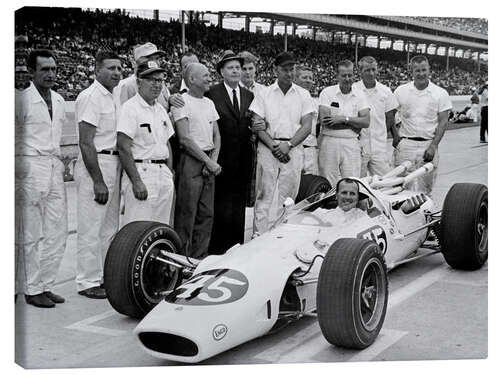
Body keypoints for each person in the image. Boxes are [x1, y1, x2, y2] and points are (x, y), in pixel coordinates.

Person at [15, 49, 68, 307]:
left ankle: (46, 284)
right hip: (30, 165)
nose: (50, 74)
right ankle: (31, 287)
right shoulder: (21, 101)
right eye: (44, 69)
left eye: (54, 69)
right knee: (30, 233)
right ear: (31, 72)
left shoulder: (58, 100)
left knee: (58, 231)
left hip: (54, 165)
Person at [250, 51, 315, 236]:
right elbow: (257, 123)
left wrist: (290, 145)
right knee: (264, 196)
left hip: (292, 148)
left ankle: (281, 237)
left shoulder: (303, 94)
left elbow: (307, 125)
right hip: (268, 148)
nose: (289, 73)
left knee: (288, 198)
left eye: (292, 69)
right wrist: (273, 146)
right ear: (275, 70)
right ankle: (258, 237)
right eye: (285, 69)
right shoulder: (264, 93)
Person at [74, 50, 122, 299]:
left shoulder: (113, 97)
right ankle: (87, 280)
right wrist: (98, 180)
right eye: (111, 68)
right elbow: (85, 142)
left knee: (109, 227)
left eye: (119, 68)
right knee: (91, 226)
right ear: (96, 70)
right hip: (97, 163)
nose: (116, 72)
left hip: (112, 161)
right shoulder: (91, 96)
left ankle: (103, 275)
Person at [206, 51, 254, 255]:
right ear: (221, 72)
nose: (236, 71)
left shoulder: (248, 95)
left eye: (238, 67)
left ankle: (236, 249)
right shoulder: (212, 93)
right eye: (231, 68)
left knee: (238, 208)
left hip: (243, 160)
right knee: (221, 206)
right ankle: (217, 250)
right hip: (221, 159)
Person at [172, 63, 221, 259]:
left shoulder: (209, 103)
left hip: (209, 160)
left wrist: (213, 161)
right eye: (206, 75)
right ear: (192, 79)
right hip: (191, 160)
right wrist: (207, 162)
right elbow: (184, 138)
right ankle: (182, 260)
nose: (210, 78)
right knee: (187, 214)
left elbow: (217, 135)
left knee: (206, 214)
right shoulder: (181, 102)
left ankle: (199, 257)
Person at [117, 61, 175, 226]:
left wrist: (168, 174)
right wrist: (136, 181)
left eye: (159, 80)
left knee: (160, 227)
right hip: (142, 171)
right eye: (151, 79)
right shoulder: (130, 108)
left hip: (162, 172)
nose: (156, 84)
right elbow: (123, 146)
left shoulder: (161, 109)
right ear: (138, 82)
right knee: (137, 227)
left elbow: (167, 144)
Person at [393, 55, 452, 195]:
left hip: (428, 145)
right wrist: (396, 137)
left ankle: (425, 216)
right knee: (400, 189)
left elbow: (443, 122)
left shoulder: (440, 93)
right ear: (411, 71)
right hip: (406, 145)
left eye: (424, 70)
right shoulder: (401, 91)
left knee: (426, 190)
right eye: (417, 71)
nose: (421, 74)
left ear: (429, 70)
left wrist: (433, 146)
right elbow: (390, 115)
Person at [318, 60, 370, 186]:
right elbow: (325, 121)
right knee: (328, 180)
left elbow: (366, 121)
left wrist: (343, 119)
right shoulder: (327, 92)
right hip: (330, 141)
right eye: (344, 75)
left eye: (350, 75)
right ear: (337, 76)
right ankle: (329, 206)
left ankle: (350, 206)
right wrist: (354, 125)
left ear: (354, 75)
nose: (347, 78)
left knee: (352, 180)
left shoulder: (360, 94)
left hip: (351, 142)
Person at [352, 56, 399, 177]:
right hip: (358, 146)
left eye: (373, 69)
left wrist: (386, 133)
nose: (371, 73)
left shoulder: (386, 91)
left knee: (384, 182)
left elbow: (390, 118)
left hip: (379, 146)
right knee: (358, 182)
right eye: (367, 70)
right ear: (360, 71)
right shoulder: (353, 89)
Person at [238, 50, 266, 208]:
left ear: (256, 69)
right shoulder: (233, 89)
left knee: (257, 182)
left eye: (250, 68)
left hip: (259, 141)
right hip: (238, 140)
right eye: (244, 69)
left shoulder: (264, 91)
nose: (247, 72)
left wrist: (264, 124)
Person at [114, 43, 171, 111]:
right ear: (137, 61)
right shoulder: (126, 85)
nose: (155, 62)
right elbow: (122, 114)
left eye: (157, 58)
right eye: (149, 58)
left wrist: (171, 101)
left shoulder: (161, 84)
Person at [294, 65, 319, 175]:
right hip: (294, 147)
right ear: (295, 79)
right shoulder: (289, 98)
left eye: (310, 78)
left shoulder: (314, 101)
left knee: (310, 184)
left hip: (311, 148)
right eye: (304, 77)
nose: (308, 81)